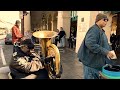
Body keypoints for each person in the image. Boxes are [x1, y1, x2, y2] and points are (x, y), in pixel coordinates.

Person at [77, 13, 116, 79]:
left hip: (97, 64)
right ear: (98, 20)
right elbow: (90, 44)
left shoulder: (101, 31)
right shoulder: (94, 29)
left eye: (107, 20)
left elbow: (102, 44)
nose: (106, 21)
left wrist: (109, 49)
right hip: (91, 64)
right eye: (104, 19)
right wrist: (106, 52)